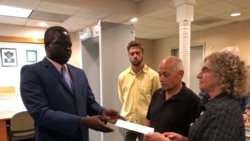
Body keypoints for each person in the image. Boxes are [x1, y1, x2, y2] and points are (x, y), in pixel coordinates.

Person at [20, 26, 123, 141]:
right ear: (47, 46)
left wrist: (102, 111)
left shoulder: (79, 73)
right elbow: (40, 113)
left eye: (69, 45)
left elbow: (89, 102)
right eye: (62, 44)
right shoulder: (32, 72)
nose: (68, 49)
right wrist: (81, 121)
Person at [144, 51, 247, 141]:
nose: (198, 75)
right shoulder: (213, 105)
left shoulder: (224, 112)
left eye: (205, 70)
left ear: (222, 76)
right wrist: (184, 139)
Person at [145, 56, 200, 137]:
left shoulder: (192, 100)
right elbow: (148, 119)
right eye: (160, 75)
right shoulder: (157, 94)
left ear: (180, 74)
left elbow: (196, 136)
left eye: (166, 75)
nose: (161, 79)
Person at [118, 40, 161, 141]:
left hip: (145, 123)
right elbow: (122, 99)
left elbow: (156, 101)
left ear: (143, 54)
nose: (135, 56)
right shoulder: (122, 76)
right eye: (132, 54)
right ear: (128, 55)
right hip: (127, 121)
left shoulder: (153, 76)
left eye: (137, 53)